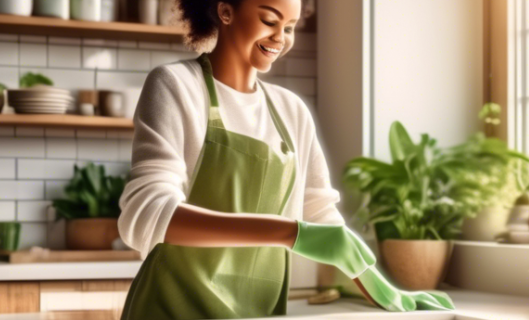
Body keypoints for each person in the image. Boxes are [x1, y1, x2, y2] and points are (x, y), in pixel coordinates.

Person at [117, 0, 453, 318]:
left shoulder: (291, 111)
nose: (280, 38)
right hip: (171, 311)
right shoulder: (176, 86)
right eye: (269, 20)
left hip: (260, 314)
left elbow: (320, 217)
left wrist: (383, 290)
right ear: (225, 12)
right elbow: (147, 213)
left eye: (290, 27)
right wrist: (288, 233)